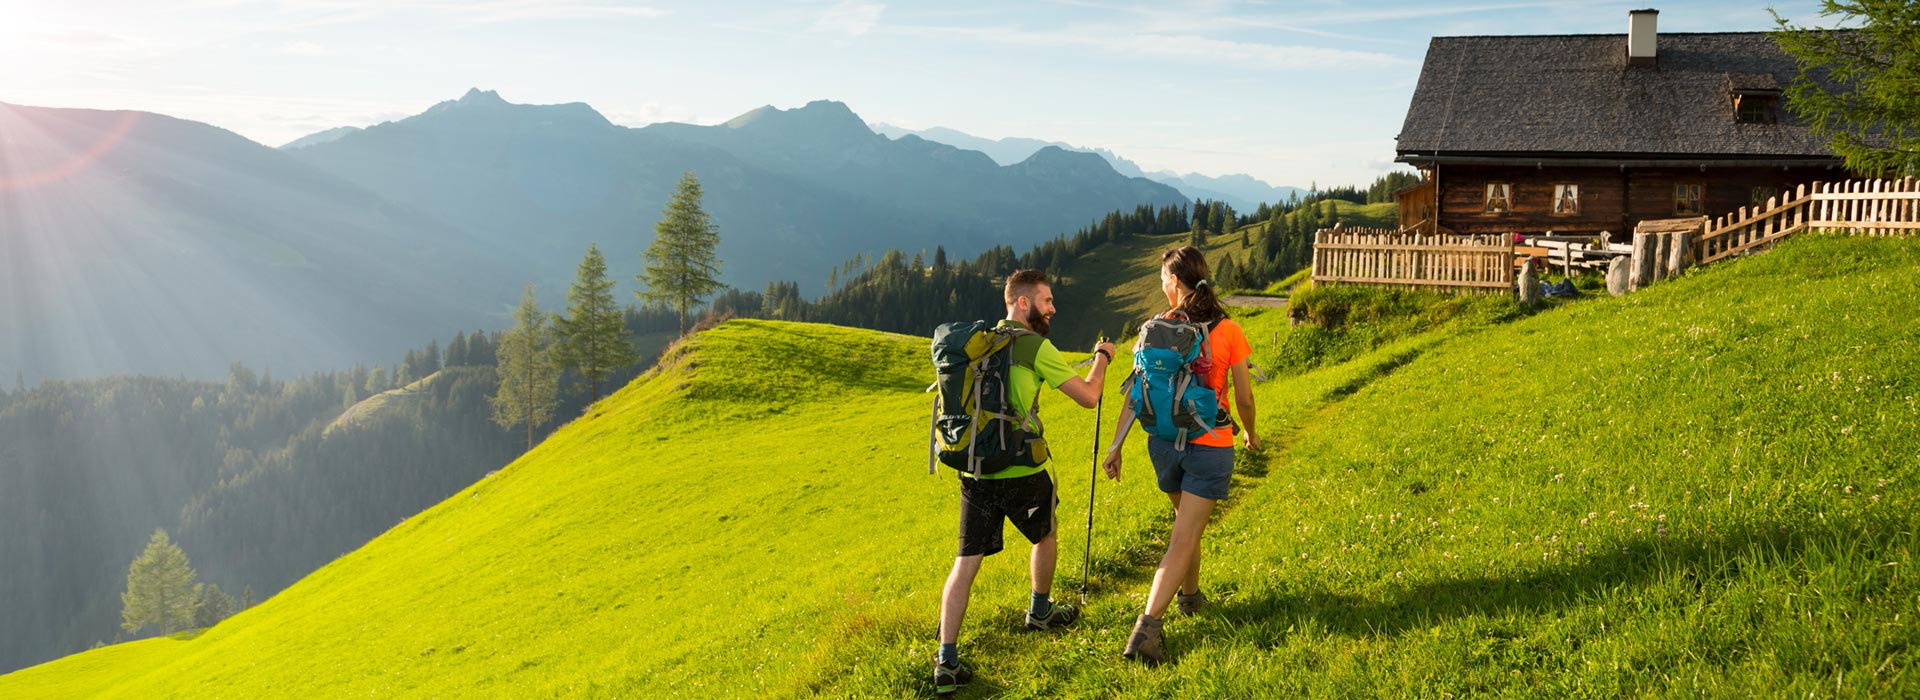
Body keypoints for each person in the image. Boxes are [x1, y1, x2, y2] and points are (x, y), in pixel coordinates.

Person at [936, 269, 1116, 696]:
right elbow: (1089, 397)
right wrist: (1102, 359)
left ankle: (946, 661)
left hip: (975, 469)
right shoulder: (1036, 346)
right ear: (1022, 303)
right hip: (1019, 468)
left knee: (965, 563)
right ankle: (1039, 612)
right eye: (1046, 300)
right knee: (1045, 532)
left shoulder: (982, 343)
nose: (1053, 307)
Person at [1102, 246, 1259, 666]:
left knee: (1184, 526)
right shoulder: (1229, 330)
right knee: (1185, 534)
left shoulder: (1152, 329)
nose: (1162, 288)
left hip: (1163, 445)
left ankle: (1190, 598)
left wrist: (1116, 447)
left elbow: (1136, 394)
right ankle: (1147, 629)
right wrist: (1251, 432)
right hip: (1210, 445)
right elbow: (1243, 396)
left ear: (1174, 282)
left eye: (1162, 281)